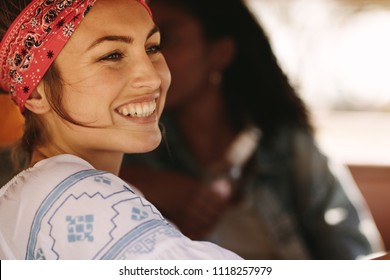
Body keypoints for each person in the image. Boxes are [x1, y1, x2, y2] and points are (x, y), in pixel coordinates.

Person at [120, 0, 385, 259]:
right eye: (149, 46)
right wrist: (146, 186)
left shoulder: (287, 146)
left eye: (166, 42)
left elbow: (353, 253)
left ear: (219, 53)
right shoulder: (133, 149)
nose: (149, 64)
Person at [0, 0, 242, 260]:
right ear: (37, 92)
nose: (152, 77)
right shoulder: (80, 199)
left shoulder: (42, 199)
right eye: (112, 55)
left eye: (153, 48)